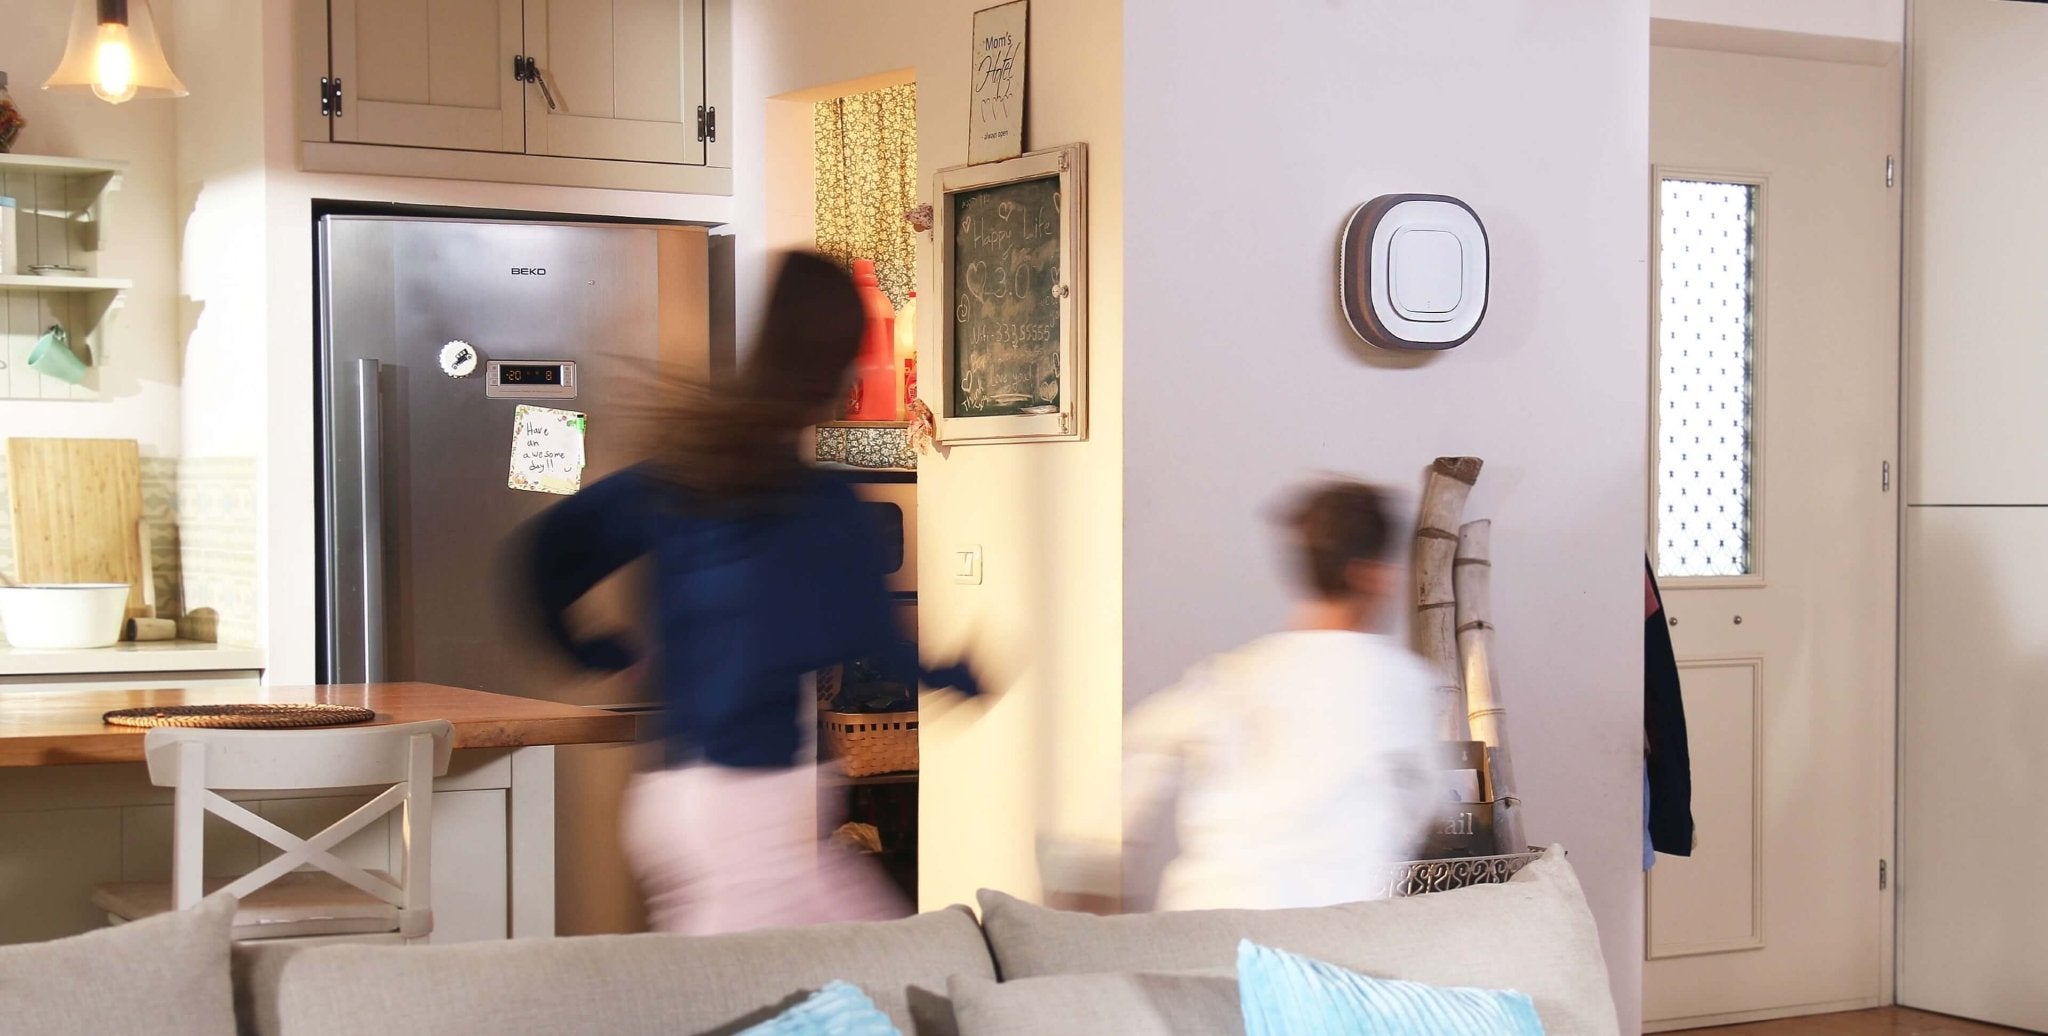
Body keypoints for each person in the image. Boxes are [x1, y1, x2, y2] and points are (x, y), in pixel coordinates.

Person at [525, 251, 974, 935]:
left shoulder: (682, 478)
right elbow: (865, 637)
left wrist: (588, 648)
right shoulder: (823, 505)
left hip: (688, 801)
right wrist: (950, 673)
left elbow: (546, 552)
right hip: (751, 819)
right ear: (841, 364)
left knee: (863, 978)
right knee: (864, 984)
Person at [1065, 480, 1439, 913]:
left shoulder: (1230, 677)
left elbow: (1137, 756)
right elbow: (1423, 806)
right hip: (1324, 938)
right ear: (1372, 575)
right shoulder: (1403, 684)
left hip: (1204, 920)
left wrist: (1091, 887)